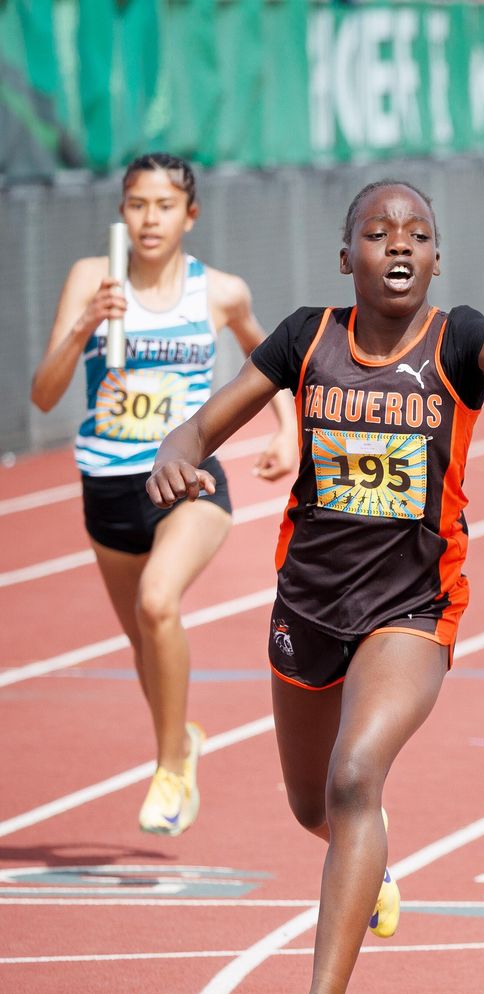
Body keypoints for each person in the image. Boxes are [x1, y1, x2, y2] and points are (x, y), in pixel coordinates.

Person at [147, 179, 484, 994]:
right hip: (307, 606)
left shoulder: (457, 340)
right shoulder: (306, 337)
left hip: (412, 608)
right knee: (315, 806)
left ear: (438, 257)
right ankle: (370, 856)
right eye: (377, 233)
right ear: (347, 257)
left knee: (355, 773)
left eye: (417, 234)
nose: (398, 245)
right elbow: (201, 427)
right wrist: (174, 460)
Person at [30, 152, 297, 837]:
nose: (149, 219)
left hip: (186, 483)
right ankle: (184, 738)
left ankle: (171, 767)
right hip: (107, 491)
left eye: (164, 206)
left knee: (158, 601)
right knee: (147, 648)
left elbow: (273, 362)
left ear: (190, 215)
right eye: (137, 204)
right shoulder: (93, 278)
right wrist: (87, 322)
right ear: (122, 211)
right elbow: (44, 393)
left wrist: (287, 432)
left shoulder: (220, 292)